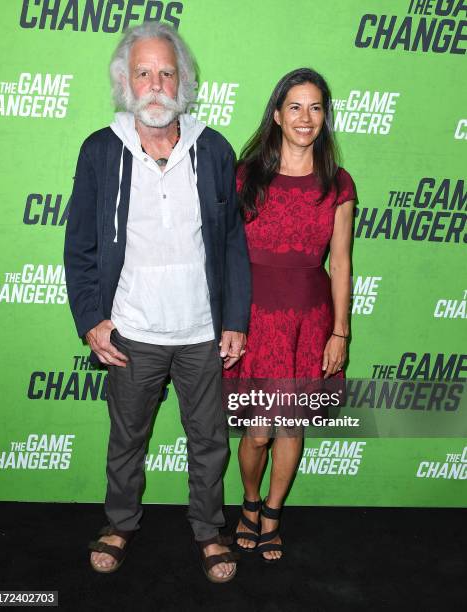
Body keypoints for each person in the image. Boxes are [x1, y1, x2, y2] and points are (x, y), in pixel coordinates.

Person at [63, 22, 250, 582]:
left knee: (210, 441)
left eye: (166, 72)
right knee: (126, 440)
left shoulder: (212, 147)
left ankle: (208, 531)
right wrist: (91, 318)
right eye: (143, 73)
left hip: (199, 330)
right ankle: (119, 524)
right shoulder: (101, 150)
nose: (155, 84)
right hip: (132, 331)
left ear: (183, 80)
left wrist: (235, 319)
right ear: (125, 81)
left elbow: (233, 242)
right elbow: (81, 246)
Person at [224, 68, 355, 562]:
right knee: (257, 430)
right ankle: (250, 502)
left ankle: (273, 514)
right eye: (295, 107)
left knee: (290, 426)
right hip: (253, 317)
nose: (306, 117)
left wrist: (340, 331)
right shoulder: (244, 176)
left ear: (325, 116)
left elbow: (340, 263)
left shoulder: (337, 184)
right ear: (277, 115)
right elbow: (223, 252)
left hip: (309, 317)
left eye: (316, 107)